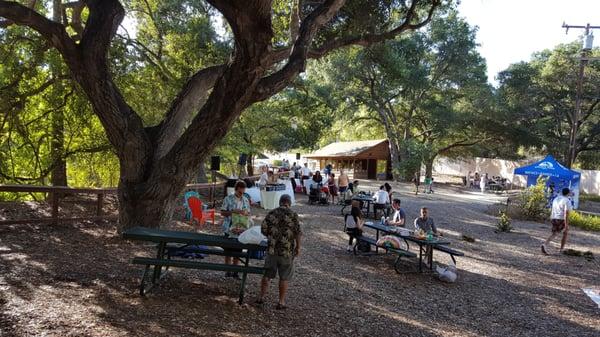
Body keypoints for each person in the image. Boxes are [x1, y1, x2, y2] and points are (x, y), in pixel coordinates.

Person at [258, 194, 302, 310]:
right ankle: (281, 302)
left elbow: (263, 229)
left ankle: (261, 297)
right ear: (289, 203)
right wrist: (298, 247)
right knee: (284, 277)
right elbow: (298, 232)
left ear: (280, 202)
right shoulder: (293, 215)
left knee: (267, 275)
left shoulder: (272, 213)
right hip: (286, 251)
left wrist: (271, 236)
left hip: (272, 250)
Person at [220, 180, 251, 278]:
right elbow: (222, 212)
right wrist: (233, 212)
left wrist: (245, 214)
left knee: (238, 252)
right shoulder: (228, 199)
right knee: (228, 252)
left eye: (243, 191)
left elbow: (249, 213)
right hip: (229, 228)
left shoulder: (245, 199)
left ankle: (235, 272)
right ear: (236, 189)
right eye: (240, 191)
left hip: (241, 229)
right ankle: (227, 271)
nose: (242, 193)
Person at [542, 188, 573, 255]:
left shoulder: (556, 199)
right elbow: (566, 213)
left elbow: (552, 208)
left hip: (553, 217)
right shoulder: (567, 201)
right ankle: (561, 249)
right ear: (568, 193)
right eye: (570, 192)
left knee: (555, 233)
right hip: (561, 218)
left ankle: (545, 245)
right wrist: (566, 224)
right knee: (565, 232)